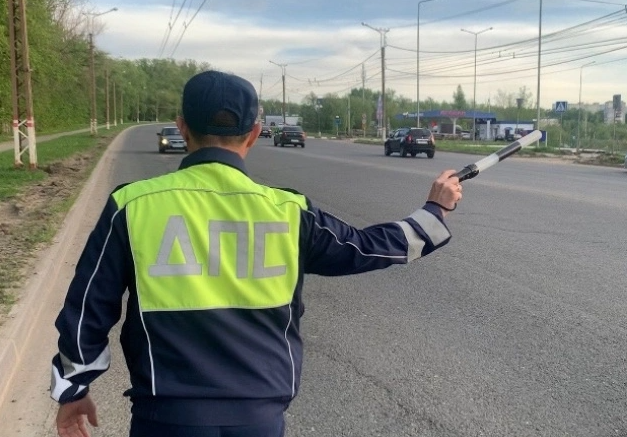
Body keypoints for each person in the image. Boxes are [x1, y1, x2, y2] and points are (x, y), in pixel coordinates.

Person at [50, 70, 462, 437]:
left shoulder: (132, 204)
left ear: (182, 127)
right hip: (260, 418)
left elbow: (89, 306)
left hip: (166, 416)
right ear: (253, 133)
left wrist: (74, 389)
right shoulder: (289, 211)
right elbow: (366, 247)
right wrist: (435, 210)